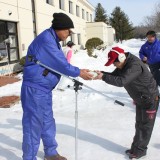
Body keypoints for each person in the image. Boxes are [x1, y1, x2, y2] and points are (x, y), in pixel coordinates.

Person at [21, 13, 93, 160]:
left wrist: (79, 71)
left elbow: (59, 64)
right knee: (33, 125)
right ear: (59, 28)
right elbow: (62, 64)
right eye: (67, 31)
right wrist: (79, 72)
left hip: (43, 89)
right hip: (35, 89)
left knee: (47, 121)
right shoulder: (47, 40)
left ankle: (51, 153)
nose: (68, 35)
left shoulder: (53, 40)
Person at [94, 47, 159, 159]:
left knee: (145, 127)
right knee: (139, 124)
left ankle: (140, 151)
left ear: (122, 57)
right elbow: (115, 76)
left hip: (150, 99)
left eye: (115, 63)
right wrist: (101, 74)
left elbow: (121, 81)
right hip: (141, 98)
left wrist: (103, 77)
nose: (114, 65)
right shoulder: (123, 64)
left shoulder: (134, 65)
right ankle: (135, 148)